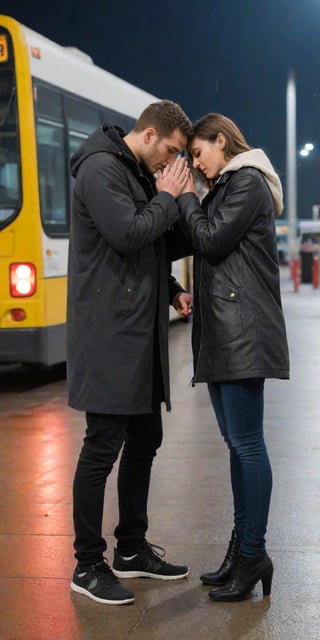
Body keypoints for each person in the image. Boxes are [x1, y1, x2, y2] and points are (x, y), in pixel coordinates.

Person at [67, 100, 193, 606]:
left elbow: (149, 246)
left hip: (138, 335)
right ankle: (87, 563)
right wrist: (166, 195)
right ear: (149, 134)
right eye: (171, 150)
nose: (171, 161)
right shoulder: (101, 169)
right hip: (109, 337)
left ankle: (132, 549)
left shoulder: (136, 172)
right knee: (101, 449)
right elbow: (126, 234)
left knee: (145, 442)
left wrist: (169, 287)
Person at [177, 113, 289, 602]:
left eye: (199, 153)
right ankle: (241, 549)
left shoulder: (247, 184)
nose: (197, 165)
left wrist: (185, 198)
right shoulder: (229, 185)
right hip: (227, 334)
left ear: (221, 141)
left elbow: (210, 239)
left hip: (243, 335)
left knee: (247, 445)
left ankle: (254, 552)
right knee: (237, 446)